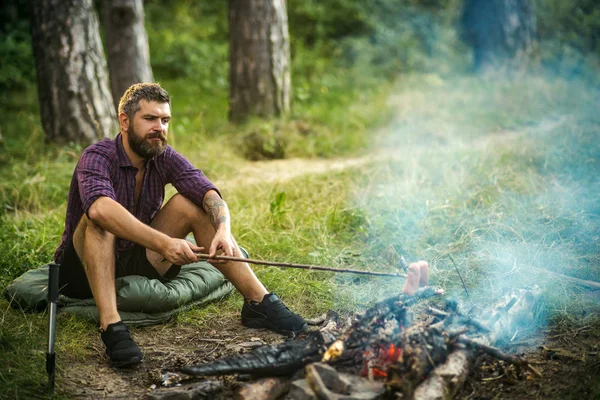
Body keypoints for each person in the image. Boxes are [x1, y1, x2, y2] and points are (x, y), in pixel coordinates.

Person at [54, 83, 307, 367]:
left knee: (190, 203)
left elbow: (207, 192)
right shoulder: (98, 155)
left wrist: (224, 230)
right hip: (82, 271)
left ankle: (258, 302)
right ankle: (111, 325)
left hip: (136, 258)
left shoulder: (162, 155)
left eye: (165, 120)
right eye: (149, 119)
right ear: (124, 121)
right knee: (98, 220)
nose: (159, 128)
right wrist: (165, 244)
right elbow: (100, 209)